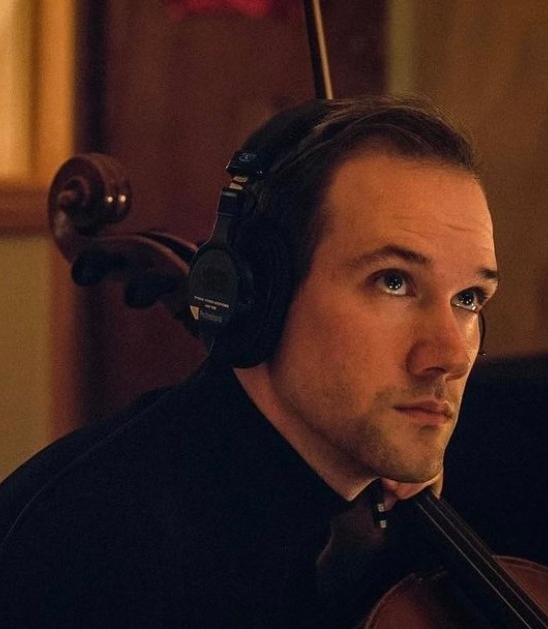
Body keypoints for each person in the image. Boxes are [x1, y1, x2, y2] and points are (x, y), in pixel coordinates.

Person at [0, 95, 498, 628]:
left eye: (468, 298)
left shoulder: (362, 525)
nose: (450, 356)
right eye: (393, 282)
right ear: (259, 293)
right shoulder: (97, 551)